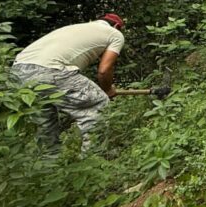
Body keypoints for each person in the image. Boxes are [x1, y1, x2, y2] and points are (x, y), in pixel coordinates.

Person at [9, 13, 125, 151]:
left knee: (44, 121)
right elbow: (104, 70)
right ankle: (93, 156)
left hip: (18, 72)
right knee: (98, 103)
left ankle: (48, 159)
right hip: (50, 70)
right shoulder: (114, 34)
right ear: (117, 26)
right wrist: (107, 90)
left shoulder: (77, 28)